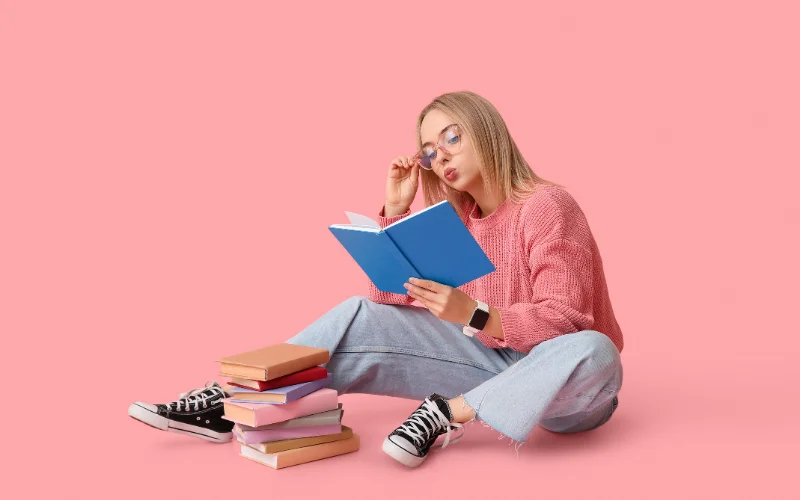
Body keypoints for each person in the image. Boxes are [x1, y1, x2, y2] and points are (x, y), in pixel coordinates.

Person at [128, 90, 624, 468]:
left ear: (488, 132)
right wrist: (395, 210)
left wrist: (474, 314)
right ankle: (234, 398)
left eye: (453, 136)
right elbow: (388, 302)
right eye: (430, 149)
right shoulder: (458, 222)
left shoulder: (545, 206)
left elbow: (565, 322)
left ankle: (448, 414)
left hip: (567, 394)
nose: (441, 155)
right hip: (490, 366)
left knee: (596, 348)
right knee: (358, 314)